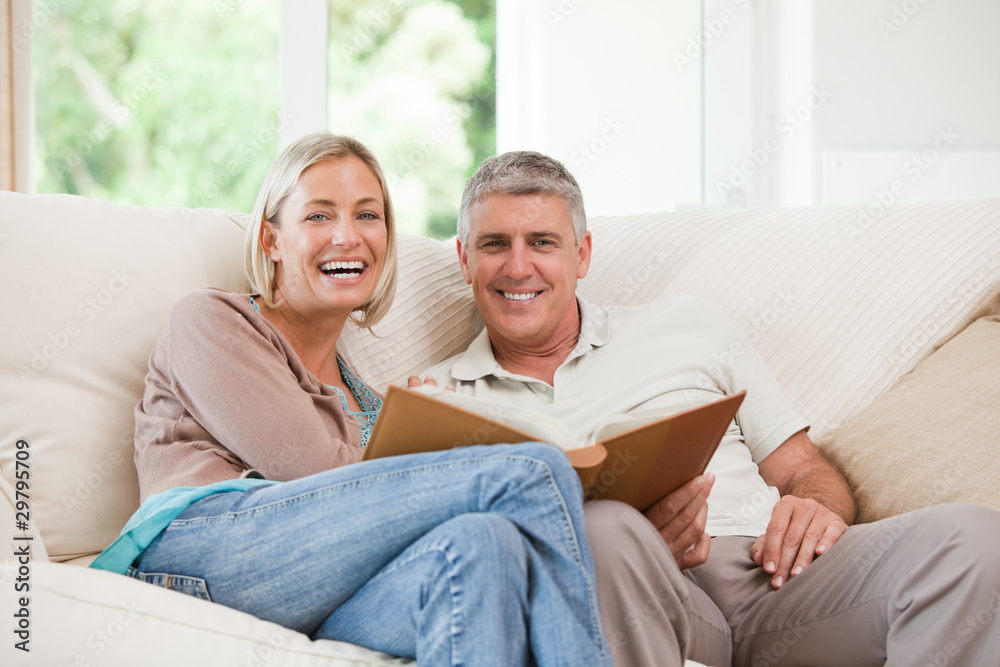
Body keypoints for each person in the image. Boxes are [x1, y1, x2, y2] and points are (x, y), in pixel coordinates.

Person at [414, 150, 1000, 667]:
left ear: (582, 254)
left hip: (775, 576)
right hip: (637, 594)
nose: (519, 267)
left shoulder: (687, 324)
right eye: (495, 245)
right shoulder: (436, 399)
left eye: (542, 242)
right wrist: (637, 549)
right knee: (608, 529)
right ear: (465, 260)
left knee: (972, 537)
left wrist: (817, 507)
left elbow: (801, 467)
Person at [89, 133, 614, 667]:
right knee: (532, 470)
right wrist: (417, 448)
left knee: (481, 546)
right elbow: (312, 472)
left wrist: (417, 430)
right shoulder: (212, 323)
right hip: (199, 549)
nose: (347, 236)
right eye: (319, 216)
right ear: (271, 239)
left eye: (368, 215)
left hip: (315, 587)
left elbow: (358, 508)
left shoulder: (363, 393)